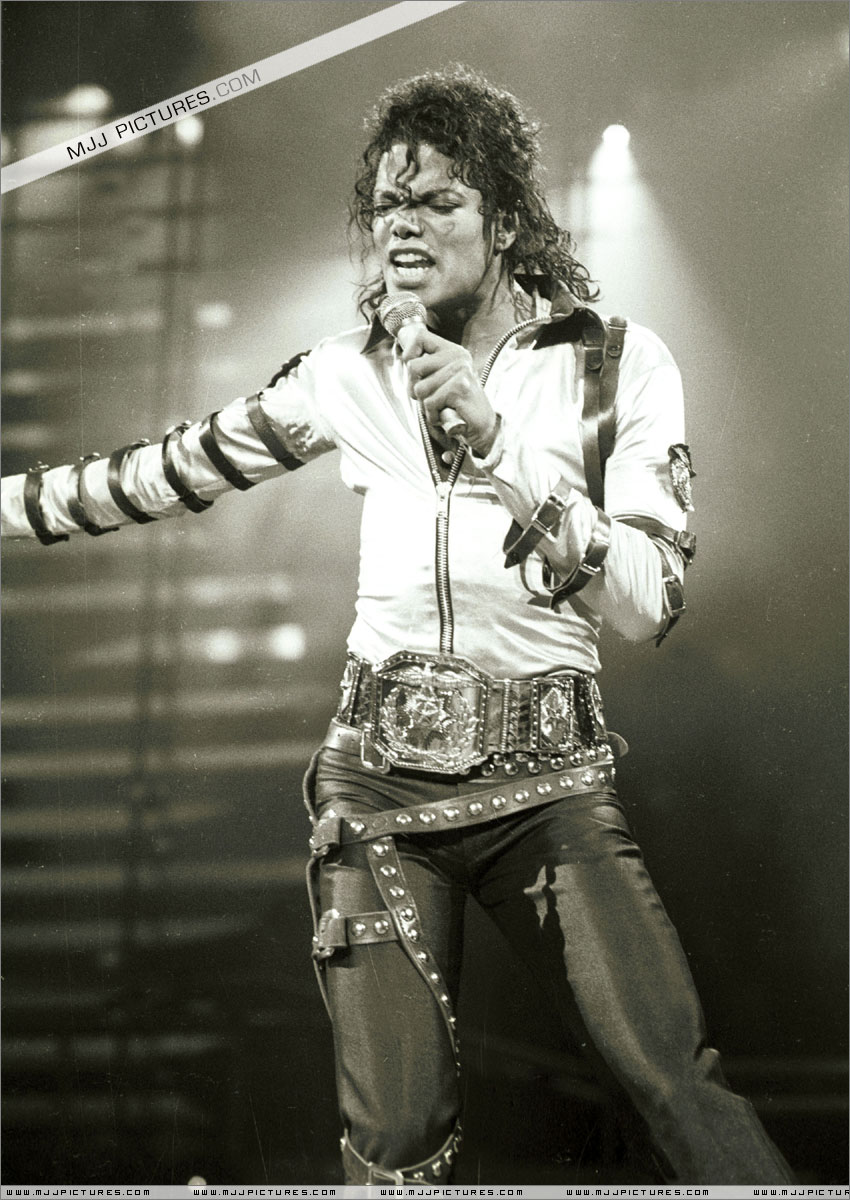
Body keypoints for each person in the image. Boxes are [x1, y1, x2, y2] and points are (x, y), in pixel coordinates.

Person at [1, 66, 793, 1186]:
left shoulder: (615, 365)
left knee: (672, 1078)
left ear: (505, 220)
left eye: (436, 202)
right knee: (396, 1141)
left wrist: (501, 444)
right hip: (377, 789)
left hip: (550, 785)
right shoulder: (343, 374)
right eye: (385, 206)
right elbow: (161, 472)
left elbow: (646, 602)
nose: (402, 227)